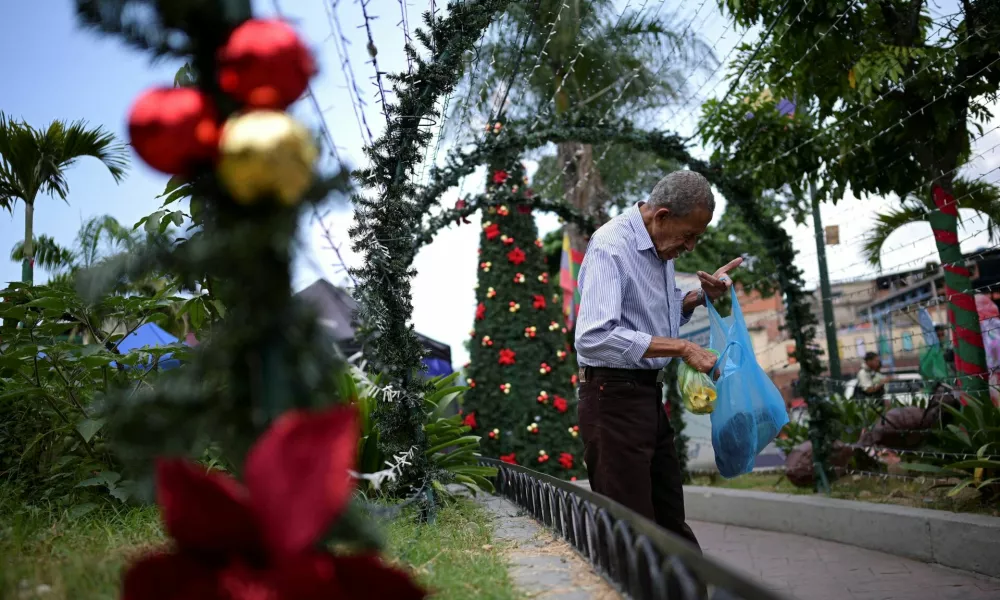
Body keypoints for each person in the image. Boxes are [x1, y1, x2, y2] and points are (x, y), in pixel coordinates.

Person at [574, 170, 741, 550]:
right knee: (633, 533)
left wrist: (700, 296)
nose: (691, 247)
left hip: (647, 399)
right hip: (612, 400)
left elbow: (654, 316)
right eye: (689, 235)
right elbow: (594, 336)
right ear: (662, 215)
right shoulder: (611, 246)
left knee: (669, 522)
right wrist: (682, 348)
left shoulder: (659, 246)